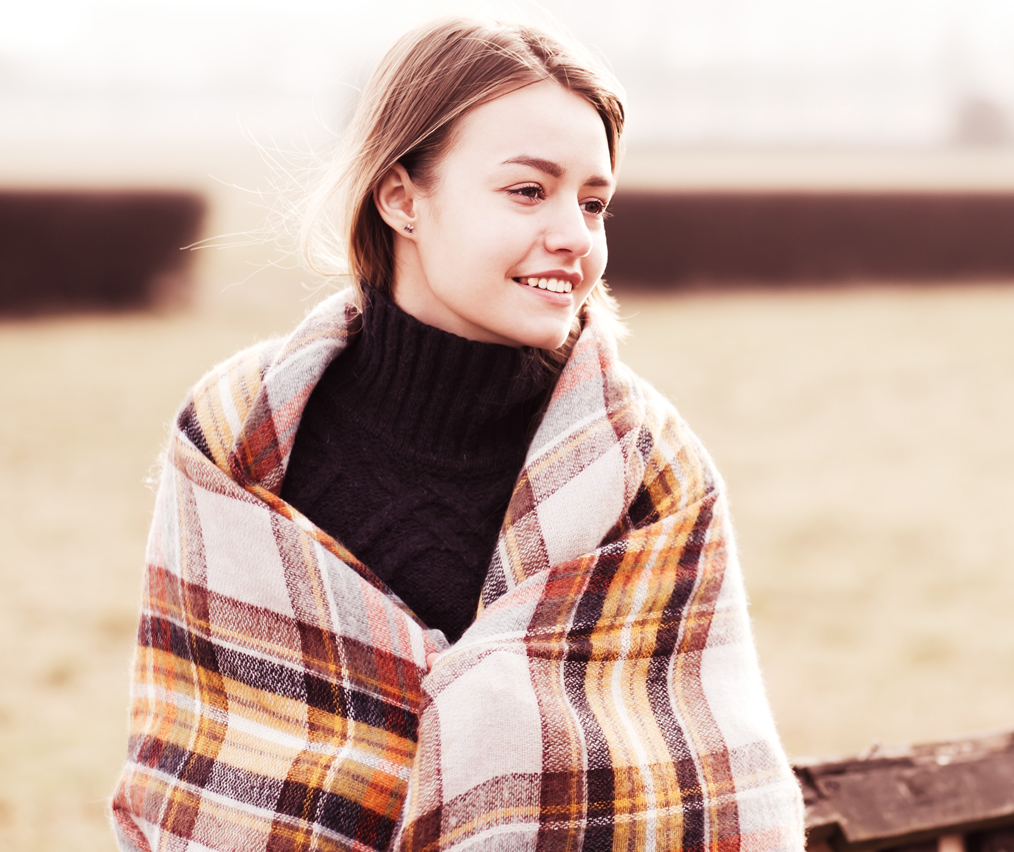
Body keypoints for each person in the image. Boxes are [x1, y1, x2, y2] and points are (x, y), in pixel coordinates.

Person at [109, 16, 806, 852]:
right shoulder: (238, 441)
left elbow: (709, 799)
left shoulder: (646, 471)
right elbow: (199, 773)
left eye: (594, 202)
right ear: (401, 196)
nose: (575, 237)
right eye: (527, 191)